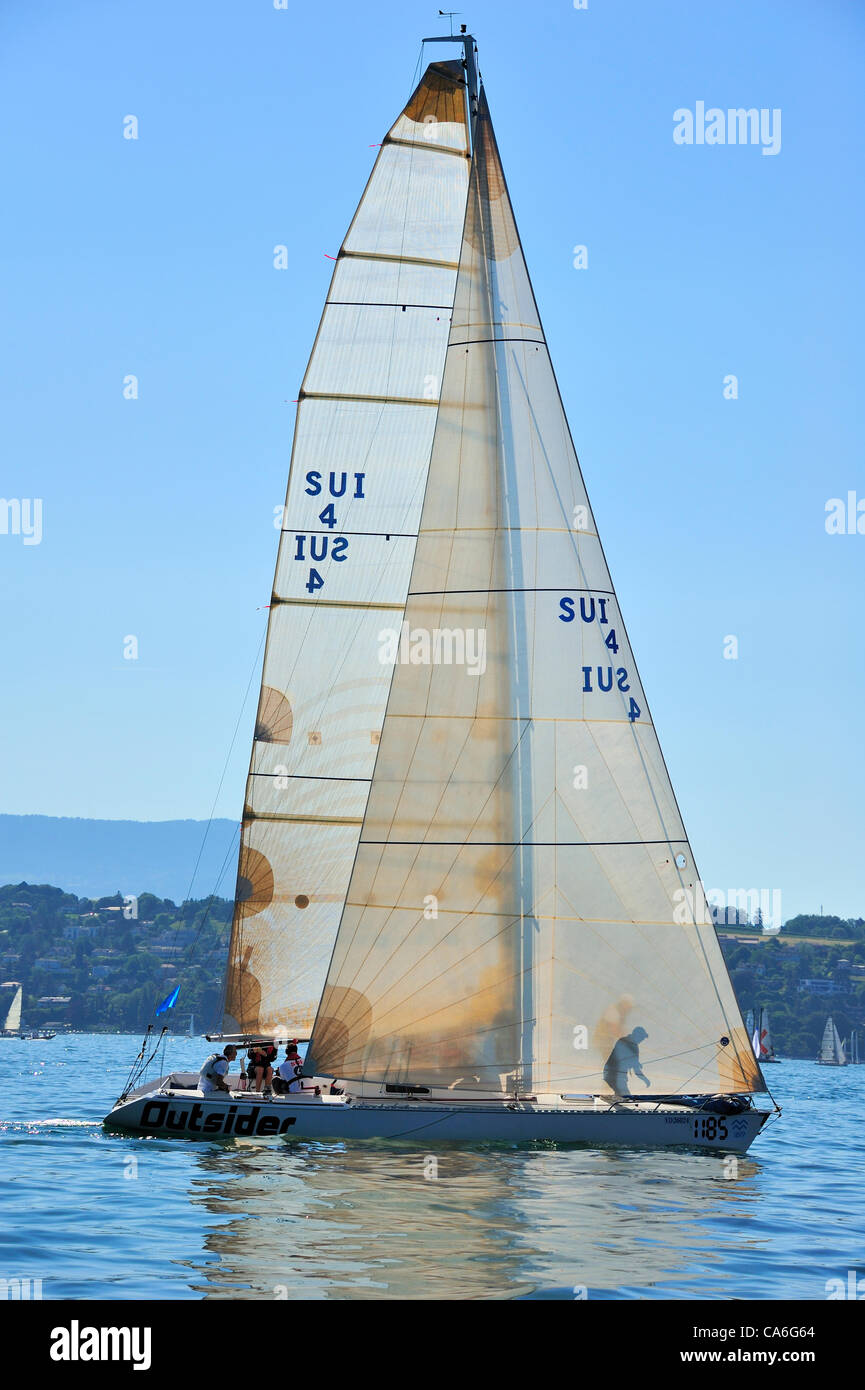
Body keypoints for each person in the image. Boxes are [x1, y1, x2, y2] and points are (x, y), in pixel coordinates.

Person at [602, 1027, 650, 1098]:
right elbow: (621, 1058)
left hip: (618, 1076)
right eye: (641, 1037)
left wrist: (645, 1079)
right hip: (613, 1074)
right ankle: (609, 1097)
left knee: (624, 1096)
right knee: (626, 1096)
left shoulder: (634, 1047)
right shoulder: (623, 1041)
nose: (642, 1040)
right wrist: (634, 1063)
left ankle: (610, 1097)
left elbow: (636, 1069)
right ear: (636, 1035)